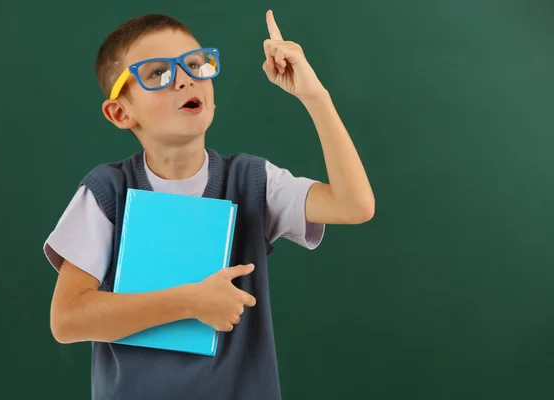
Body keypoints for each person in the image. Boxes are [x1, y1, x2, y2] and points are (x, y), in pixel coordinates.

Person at [44, 9, 375, 400]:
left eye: (196, 64)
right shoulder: (107, 192)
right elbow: (67, 319)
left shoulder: (252, 180)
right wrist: (191, 302)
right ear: (120, 111)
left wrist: (315, 96)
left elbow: (354, 205)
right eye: (158, 73)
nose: (185, 78)